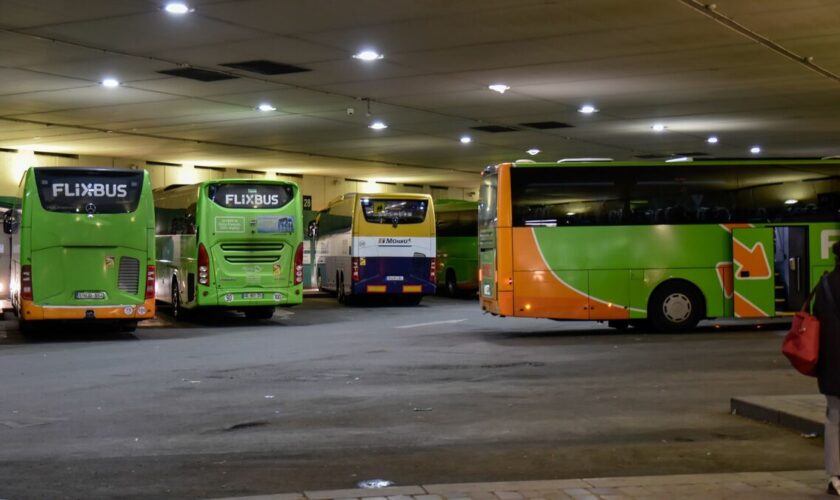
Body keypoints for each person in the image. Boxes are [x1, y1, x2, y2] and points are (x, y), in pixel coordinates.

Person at [815, 241, 840, 495]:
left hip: (831, 364)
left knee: (834, 419)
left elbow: (817, 315)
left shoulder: (824, 284)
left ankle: (835, 478)